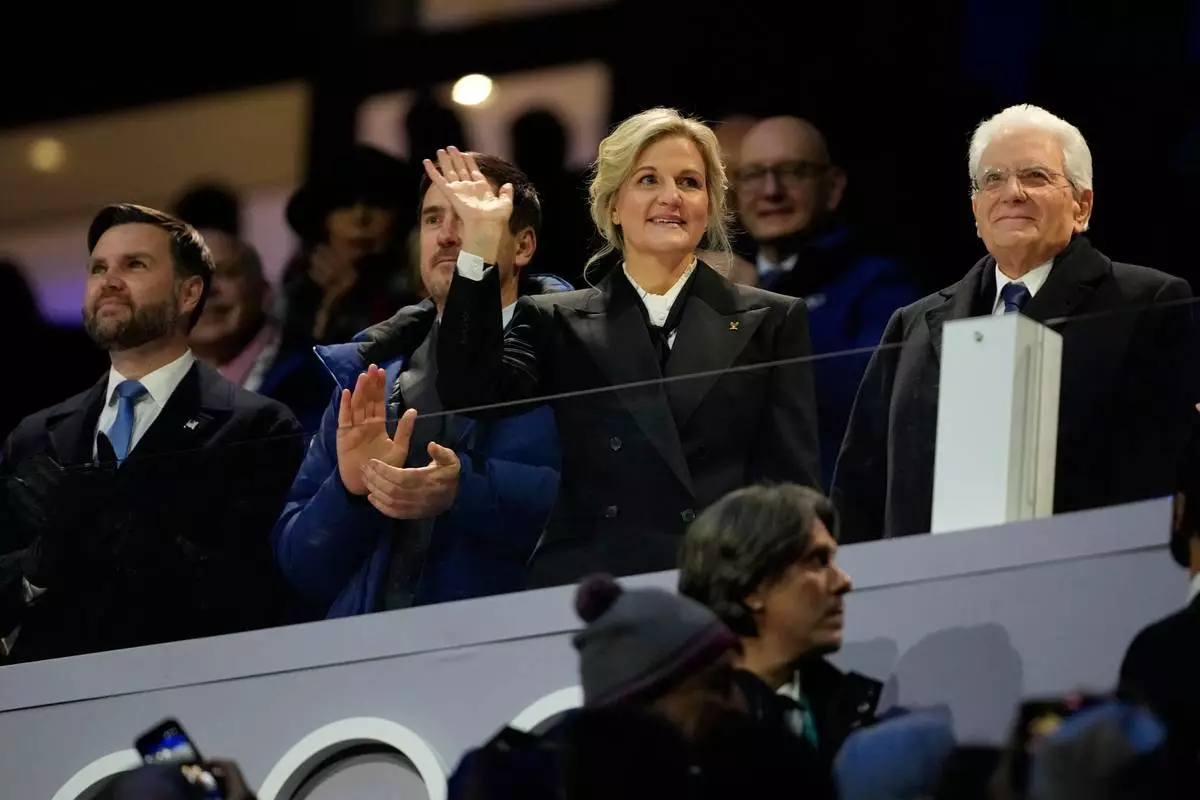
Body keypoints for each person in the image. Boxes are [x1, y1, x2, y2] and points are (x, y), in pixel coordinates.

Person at [432, 108, 821, 587]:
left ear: (711, 206)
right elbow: (468, 389)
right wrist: (480, 244)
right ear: (613, 205)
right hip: (592, 587)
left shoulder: (774, 318)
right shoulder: (556, 319)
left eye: (690, 182)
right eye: (648, 180)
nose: (671, 197)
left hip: (720, 580)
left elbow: (793, 484)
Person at [833, 104, 1194, 543]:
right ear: (976, 209)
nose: (1012, 193)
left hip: (1086, 580)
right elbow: (860, 487)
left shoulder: (1147, 305)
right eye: (993, 180)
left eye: (1036, 176)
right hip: (925, 589)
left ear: (1082, 205)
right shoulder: (911, 324)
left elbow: (1162, 469)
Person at [0, 204, 304, 662]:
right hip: (45, 705)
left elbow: (248, 593)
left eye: (134, 265)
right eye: (98, 268)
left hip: (183, 691)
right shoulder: (33, 437)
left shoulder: (256, 425)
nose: (109, 280)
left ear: (188, 294)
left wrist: (103, 527)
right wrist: (34, 571)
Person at [272, 155, 565, 616]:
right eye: (433, 218)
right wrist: (349, 492)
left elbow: (613, 510)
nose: (447, 235)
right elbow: (300, 567)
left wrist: (463, 489)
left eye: (468, 217)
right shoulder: (367, 373)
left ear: (523, 245)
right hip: (368, 662)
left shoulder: (580, 352)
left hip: (514, 651)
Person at [734, 116, 919, 487]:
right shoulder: (714, 287)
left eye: (792, 171)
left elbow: (872, 396)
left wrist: (761, 308)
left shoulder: (879, 285)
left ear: (832, 188)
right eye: (753, 174)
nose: (771, 190)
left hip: (837, 518)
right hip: (734, 529)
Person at [678, 483, 879, 774]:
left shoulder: (864, 710)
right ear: (752, 587)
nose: (844, 581)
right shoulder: (683, 734)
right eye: (818, 561)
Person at [188, 230, 331, 431]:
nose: (208, 290)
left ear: (265, 292)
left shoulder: (320, 376)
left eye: (227, 273)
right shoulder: (143, 387)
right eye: (190, 280)